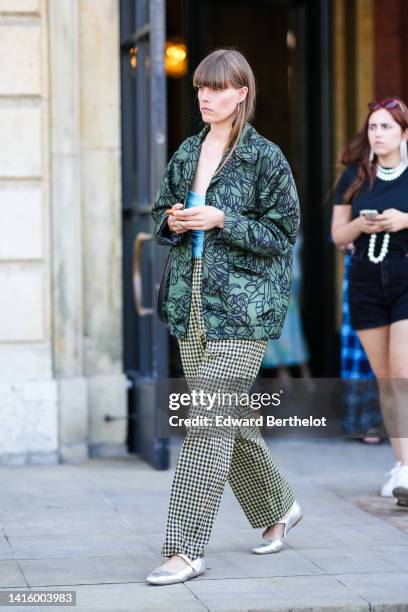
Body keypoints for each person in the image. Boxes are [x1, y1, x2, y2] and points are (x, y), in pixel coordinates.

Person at [146, 49, 302, 586]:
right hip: (191, 305)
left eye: (215, 89)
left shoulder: (266, 159)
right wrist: (174, 220)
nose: (204, 97)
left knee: (208, 423)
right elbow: (160, 212)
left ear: (242, 93)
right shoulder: (189, 150)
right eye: (199, 89)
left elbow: (283, 237)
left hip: (246, 309)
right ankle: (279, 507)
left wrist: (221, 219)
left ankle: (186, 548)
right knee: (228, 420)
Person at [331, 97, 408, 505]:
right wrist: (360, 223)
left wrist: (404, 220)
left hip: (405, 276)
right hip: (364, 282)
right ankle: (403, 465)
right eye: (373, 127)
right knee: (386, 379)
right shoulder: (356, 176)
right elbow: (337, 236)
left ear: (404, 133)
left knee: (402, 372)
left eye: (387, 127)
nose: (378, 135)